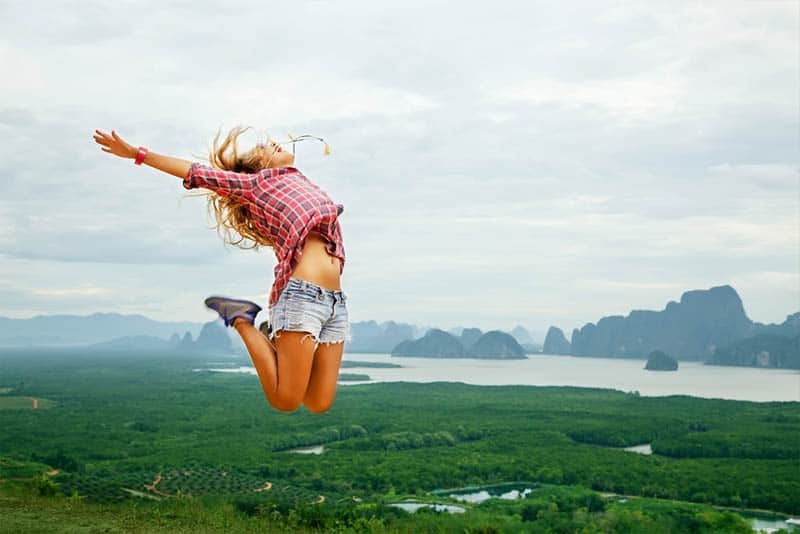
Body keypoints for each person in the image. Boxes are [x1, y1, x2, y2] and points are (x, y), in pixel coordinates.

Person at [92, 126, 350, 413]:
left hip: (334, 302)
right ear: (257, 168)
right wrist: (137, 154)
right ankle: (241, 319)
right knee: (285, 400)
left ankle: (270, 334)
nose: (274, 143)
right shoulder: (257, 185)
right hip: (302, 296)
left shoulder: (301, 182)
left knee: (318, 403)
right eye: (263, 148)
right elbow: (196, 172)